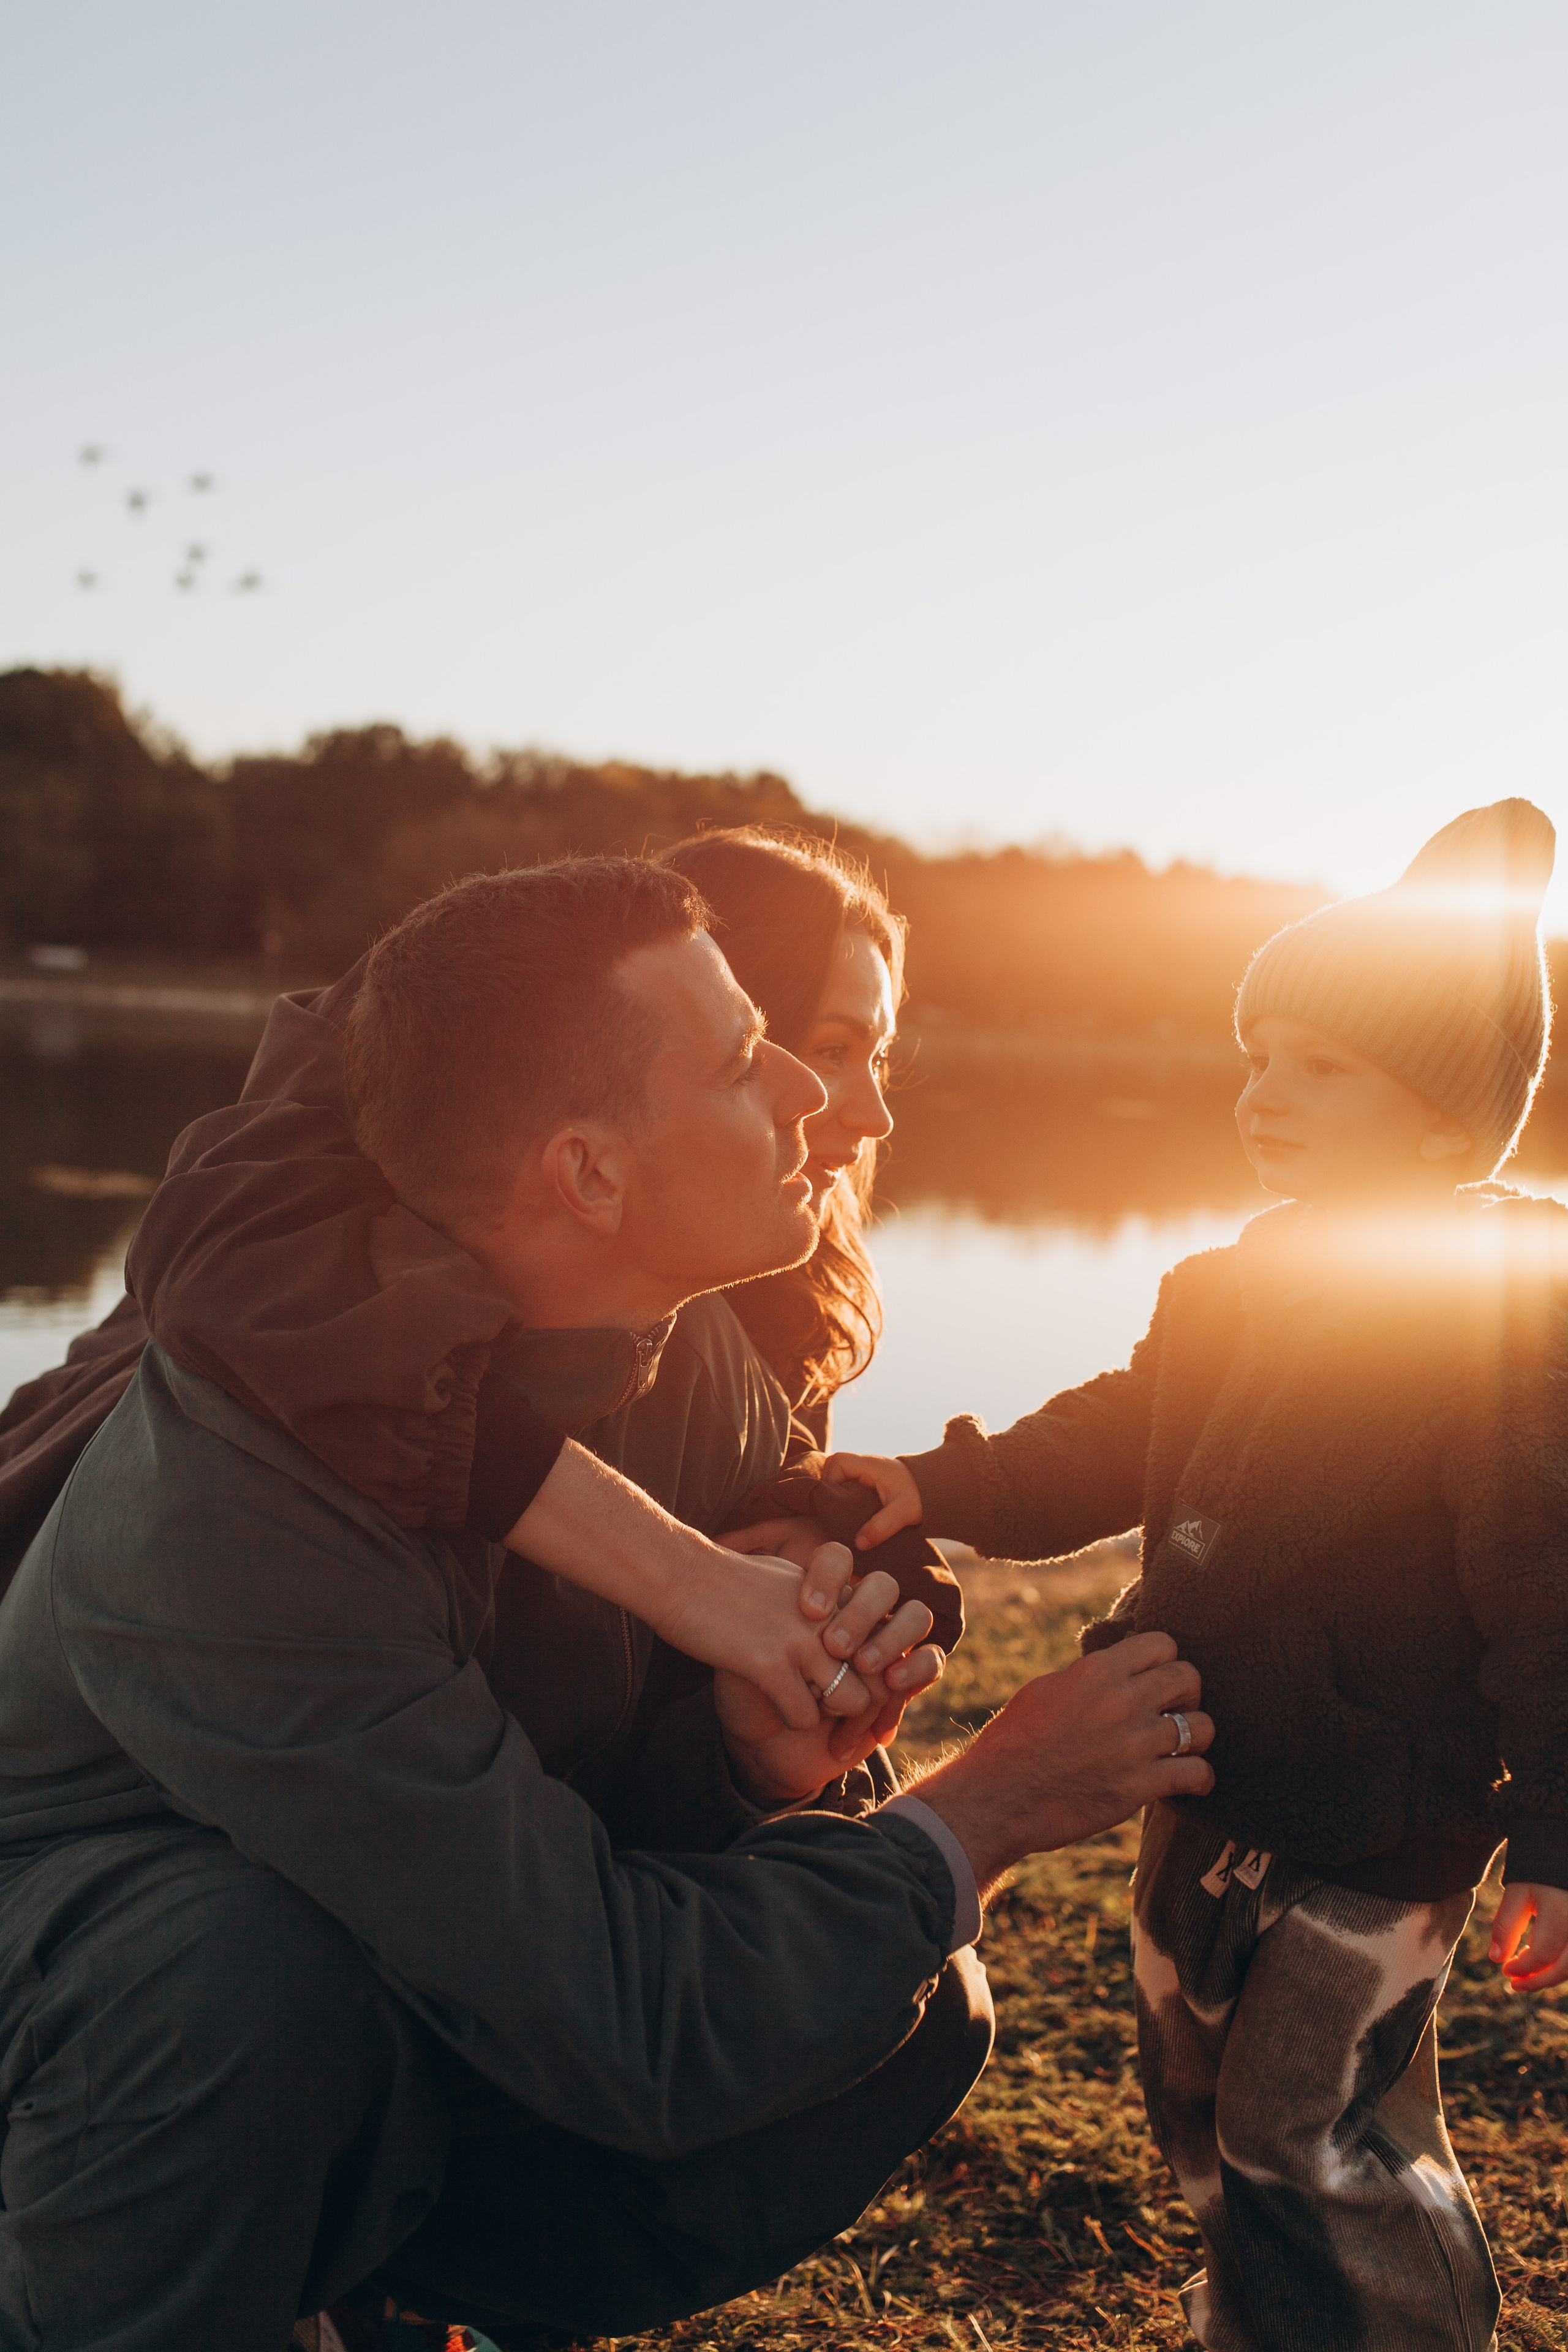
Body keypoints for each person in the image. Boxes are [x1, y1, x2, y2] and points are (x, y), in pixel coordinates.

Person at [0, 854, 1216, 2351]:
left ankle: (377, 2275)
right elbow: (623, 2021)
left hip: (376, 1894)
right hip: (102, 1949)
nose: (814, 1095)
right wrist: (988, 1811)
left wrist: (740, 1761)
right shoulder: (236, 1493)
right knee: (239, 1983)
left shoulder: (679, 1345)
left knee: (895, 1999)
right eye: (746, 1055)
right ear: (586, 1172)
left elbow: (587, 1810)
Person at [821, 800, 1568, 2352]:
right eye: (1254, 1058)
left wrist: (1554, 1826)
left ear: (1440, 1118)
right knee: (1197, 2100)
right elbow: (1107, 1443)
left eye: (1319, 1069)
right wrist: (938, 1487)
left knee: (1315, 2123)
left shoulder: (1498, 1322)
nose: (1263, 1097)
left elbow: (1540, 1595)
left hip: (1380, 1811)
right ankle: (1267, 2322)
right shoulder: (1229, 1288)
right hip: (1201, 1775)